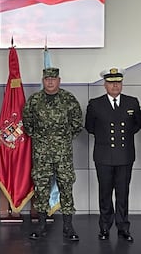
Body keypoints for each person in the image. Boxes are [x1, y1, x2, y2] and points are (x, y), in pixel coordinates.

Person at [23, 68, 82, 241]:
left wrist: (61, 139)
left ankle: (68, 226)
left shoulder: (68, 99)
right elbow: (28, 124)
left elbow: (77, 123)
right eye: (47, 79)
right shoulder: (34, 100)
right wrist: (42, 139)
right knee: (41, 187)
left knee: (66, 186)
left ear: (59, 80)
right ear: (43, 80)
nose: (50, 82)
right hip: (41, 152)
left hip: (63, 152)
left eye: (53, 79)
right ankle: (41, 225)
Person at [85, 68, 141, 242]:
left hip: (125, 155)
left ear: (122, 84)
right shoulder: (95, 104)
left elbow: (137, 125)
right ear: (105, 85)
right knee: (105, 193)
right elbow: (90, 127)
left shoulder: (132, 102)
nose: (115, 85)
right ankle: (104, 227)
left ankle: (123, 227)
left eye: (118, 82)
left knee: (123, 193)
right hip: (103, 155)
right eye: (111, 82)